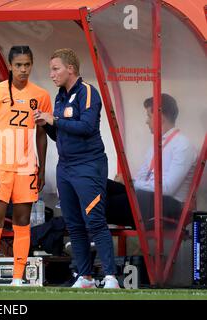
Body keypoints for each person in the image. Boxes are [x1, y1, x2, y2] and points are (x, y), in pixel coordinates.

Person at [34, 48, 119, 289]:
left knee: (94, 220)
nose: (51, 74)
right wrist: (46, 124)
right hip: (66, 168)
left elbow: (87, 127)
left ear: (70, 69)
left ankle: (111, 276)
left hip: (88, 165)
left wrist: (55, 120)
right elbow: (60, 133)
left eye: (55, 69)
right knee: (73, 224)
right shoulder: (60, 96)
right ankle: (85, 277)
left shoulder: (88, 92)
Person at [0, 46, 51, 287]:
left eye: (27, 64)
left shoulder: (41, 95)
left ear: (32, 65)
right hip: (0, 166)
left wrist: (41, 167)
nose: (23, 69)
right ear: (10, 65)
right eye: (18, 64)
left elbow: (42, 134)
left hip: (27, 168)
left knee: (23, 222)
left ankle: (18, 278)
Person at [105, 94, 197, 229]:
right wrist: (128, 183)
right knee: (102, 184)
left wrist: (131, 183)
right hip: (148, 198)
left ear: (160, 117)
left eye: (149, 116)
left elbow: (168, 188)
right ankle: (84, 208)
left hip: (168, 204)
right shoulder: (156, 146)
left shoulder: (183, 145)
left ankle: (84, 212)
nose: (146, 121)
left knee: (101, 205)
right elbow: (142, 178)